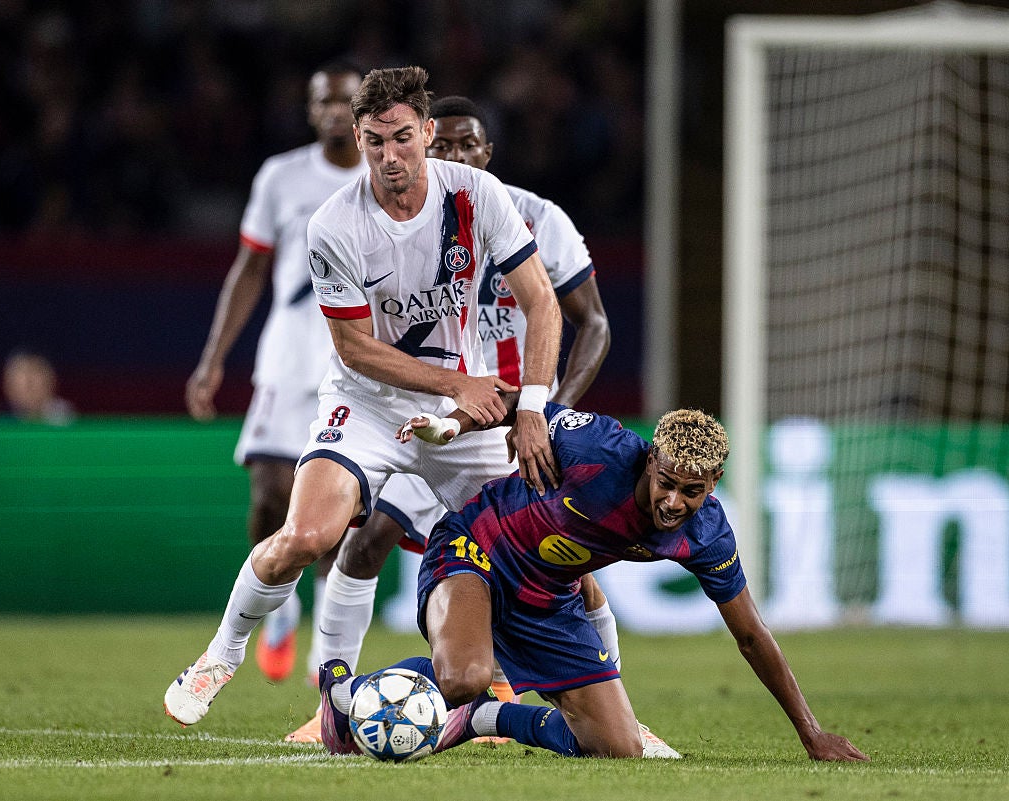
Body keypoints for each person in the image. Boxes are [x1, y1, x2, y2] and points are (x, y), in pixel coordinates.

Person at [163, 65, 563, 728]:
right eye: (375, 141)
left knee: (545, 549)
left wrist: (531, 407)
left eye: (402, 137)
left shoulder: (476, 194)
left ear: (427, 133)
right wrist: (456, 383)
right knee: (307, 535)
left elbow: (542, 302)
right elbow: (354, 348)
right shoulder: (334, 224)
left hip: (460, 418)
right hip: (368, 405)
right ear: (358, 138)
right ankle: (222, 655)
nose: (390, 155)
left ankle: (606, 701)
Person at [285, 94, 624, 744]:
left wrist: (547, 411)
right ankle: (332, 695)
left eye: (471, 146)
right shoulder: (411, 220)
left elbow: (594, 323)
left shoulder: (534, 218)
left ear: (487, 153)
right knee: (368, 539)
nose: (459, 157)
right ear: (428, 149)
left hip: (514, 424)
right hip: (436, 419)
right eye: (447, 147)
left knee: (565, 561)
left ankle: (610, 693)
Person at [317, 398, 871, 762]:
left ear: (714, 483)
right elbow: (513, 400)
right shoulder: (598, 447)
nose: (673, 502)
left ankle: (484, 718)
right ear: (650, 460)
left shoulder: (707, 536)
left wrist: (811, 732)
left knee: (618, 748)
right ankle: (341, 691)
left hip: (547, 599)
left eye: (692, 491)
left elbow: (751, 634)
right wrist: (461, 424)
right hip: (475, 550)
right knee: (464, 676)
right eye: (666, 482)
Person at [183, 62, 366, 685]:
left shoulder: (388, 175)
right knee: (268, 489)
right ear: (311, 110)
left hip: (358, 355)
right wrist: (213, 357)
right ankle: (280, 604)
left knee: (341, 506)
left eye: (346, 101)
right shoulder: (282, 177)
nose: (335, 111)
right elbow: (250, 269)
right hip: (289, 349)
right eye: (324, 101)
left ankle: (325, 652)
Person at [1, 349, 76, 425]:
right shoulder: (0, 420)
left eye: (35, 371)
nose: (29, 383)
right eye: (22, 373)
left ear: (51, 380)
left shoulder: (65, 419)